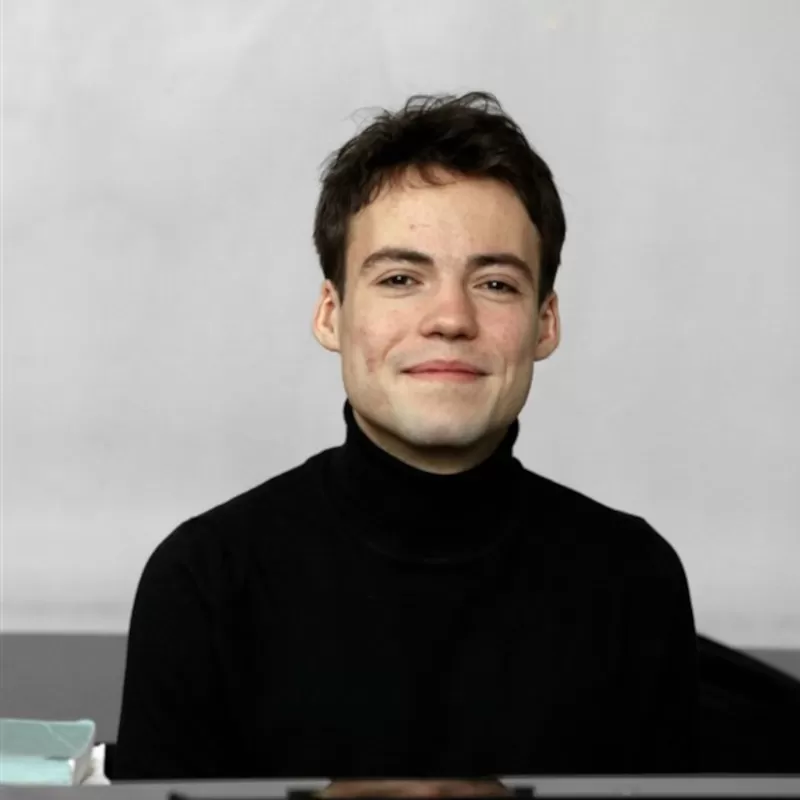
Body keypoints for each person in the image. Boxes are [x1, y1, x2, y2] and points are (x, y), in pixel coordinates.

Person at [113, 91, 698, 785]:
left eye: (495, 283)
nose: (450, 318)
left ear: (545, 323)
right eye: (400, 278)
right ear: (331, 315)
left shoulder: (633, 578)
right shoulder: (205, 579)